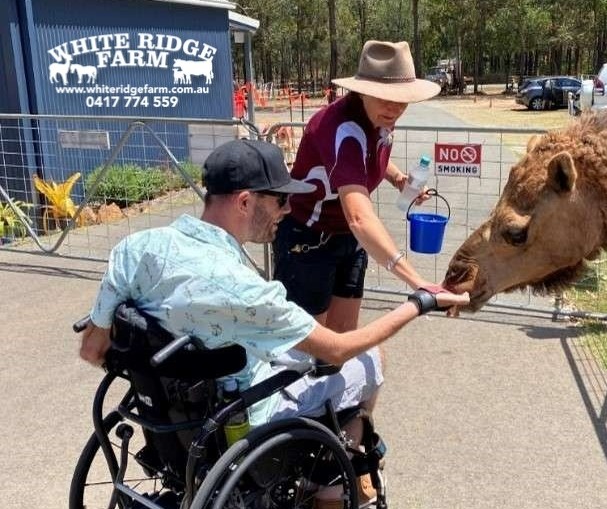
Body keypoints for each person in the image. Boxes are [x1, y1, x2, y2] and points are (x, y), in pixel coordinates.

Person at [79, 139, 468, 508]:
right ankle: (332, 482)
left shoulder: (133, 250)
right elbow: (337, 348)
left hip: (167, 424)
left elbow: (93, 350)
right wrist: (418, 303)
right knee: (368, 361)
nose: (288, 210)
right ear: (246, 202)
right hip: (241, 421)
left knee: (303, 358)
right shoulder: (249, 292)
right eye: (281, 200)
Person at [272, 40, 442, 335]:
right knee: (306, 341)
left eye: (403, 99)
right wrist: (419, 282)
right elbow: (360, 218)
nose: (395, 108)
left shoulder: (378, 115)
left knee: (344, 332)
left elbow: (370, 156)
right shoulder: (343, 130)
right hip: (308, 236)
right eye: (385, 97)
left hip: (348, 238)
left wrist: (399, 178)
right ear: (362, 90)